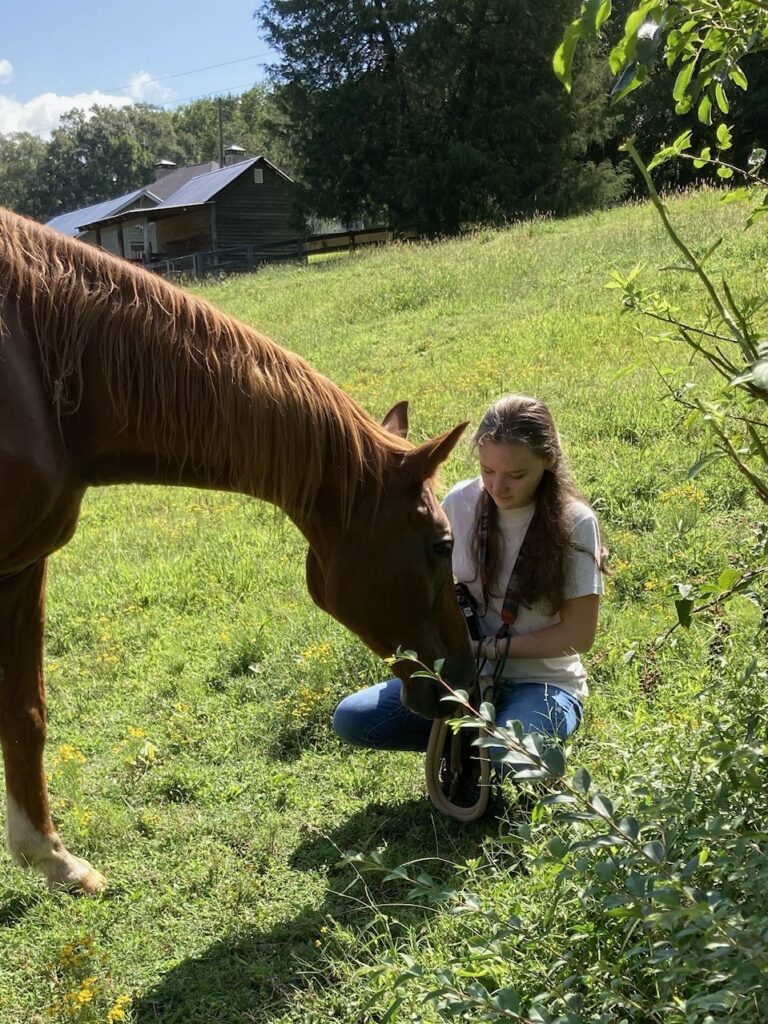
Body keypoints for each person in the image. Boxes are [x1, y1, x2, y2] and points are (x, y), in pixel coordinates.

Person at [332, 394, 605, 776]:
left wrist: (484, 648)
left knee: (507, 756)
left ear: (548, 461)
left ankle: (493, 744)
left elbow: (578, 636)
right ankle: (467, 741)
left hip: (544, 683)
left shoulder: (575, 522)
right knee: (352, 719)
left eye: (516, 475)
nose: (498, 486)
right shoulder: (461, 501)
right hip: (463, 674)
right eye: (487, 470)